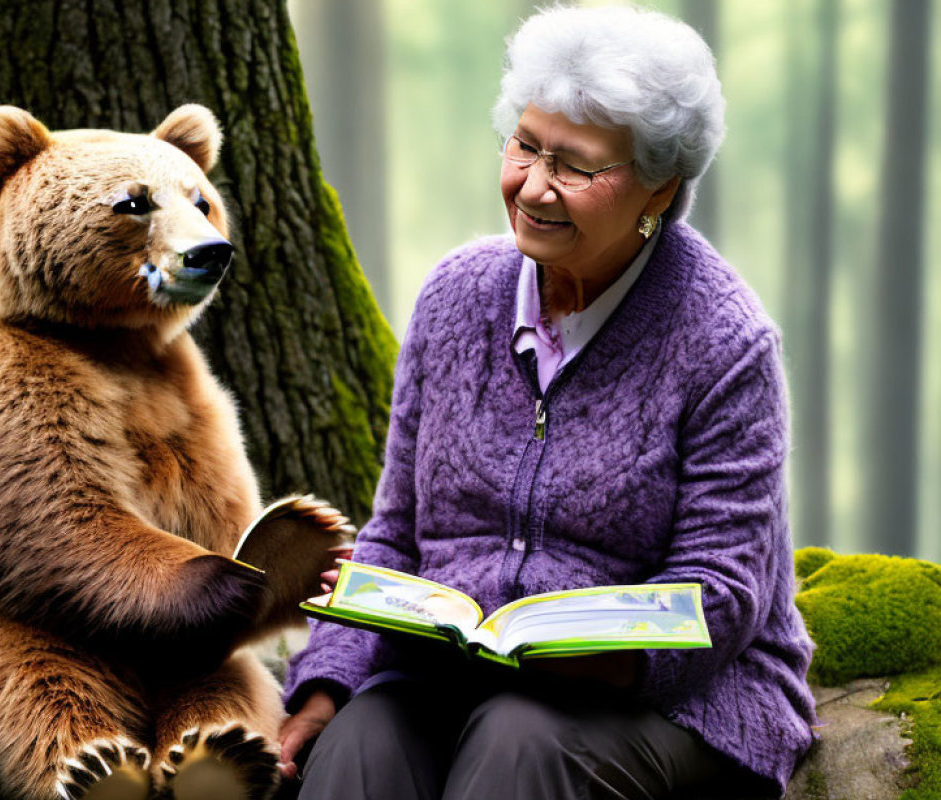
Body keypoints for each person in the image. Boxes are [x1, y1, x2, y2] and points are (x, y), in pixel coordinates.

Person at [278, 5, 817, 799]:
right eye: (525, 145)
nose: (533, 186)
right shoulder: (454, 298)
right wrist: (326, 679)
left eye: (575, 166)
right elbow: (394, 533)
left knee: (519, 740)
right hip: (450, 669)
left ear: (658, 189)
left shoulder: (724, 343)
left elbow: (723, 592)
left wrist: (606, 657)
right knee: (363, 743)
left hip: (669, 697)